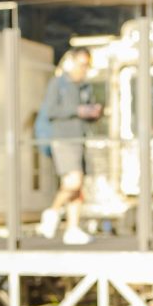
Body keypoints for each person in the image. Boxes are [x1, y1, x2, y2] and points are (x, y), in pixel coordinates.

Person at [36, 47, 101, 245]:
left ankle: (72, 228)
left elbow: (86, 113)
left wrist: (93, 113)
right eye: (81, 64)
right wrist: (77, 110)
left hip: (80, 138)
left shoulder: (86, 87)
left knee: (78, 186)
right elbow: (51, 111)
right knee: (73, 181)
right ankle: (52, 212)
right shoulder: (58, 83)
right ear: (72, 62)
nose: (84, 69)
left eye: (87, 65)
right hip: (63, 139)